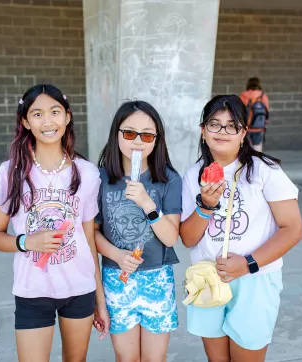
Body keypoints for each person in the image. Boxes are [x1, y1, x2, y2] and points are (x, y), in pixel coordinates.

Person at [0, 84, 109, 362]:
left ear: (67, 117)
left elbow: (89, 240)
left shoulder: (88, 173)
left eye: (55, 112)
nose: (48, 121)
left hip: (79, 289)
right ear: (25, 122)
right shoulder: (11, 173)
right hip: (33, 291)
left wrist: (99, 302)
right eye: (37, 114)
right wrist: (26, 241)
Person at [180, 94, 302, 362]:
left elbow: (292, 228)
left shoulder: (264, 170)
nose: (222, 131)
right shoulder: (193, 175)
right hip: (207, 278)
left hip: (255, 281)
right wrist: (205, 205)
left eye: (231, 125)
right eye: (214, 124)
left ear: (243, 133)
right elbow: (188, 238)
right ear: (203, 131)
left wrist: (247, 264)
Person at [94, 100, 182, 362]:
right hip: (116, 278)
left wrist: (147, 203)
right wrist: (117, 255)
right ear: (116, 134)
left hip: (158, 278)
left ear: (156, 140)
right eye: (129, 133)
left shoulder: (168, 179)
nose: (138, 141)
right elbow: (93, 234)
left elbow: (170, 236)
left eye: (147, 135)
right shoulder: (100, 180)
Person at [240, 77, 270, 152]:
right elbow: (266, 111)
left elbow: (239, 110)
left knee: (246, 145)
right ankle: (258, 161)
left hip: (245, 126)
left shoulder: (243, 95)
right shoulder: (263, 96)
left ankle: (248, 162)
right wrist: (265, 122)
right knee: (257, 145)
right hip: (259, 126)